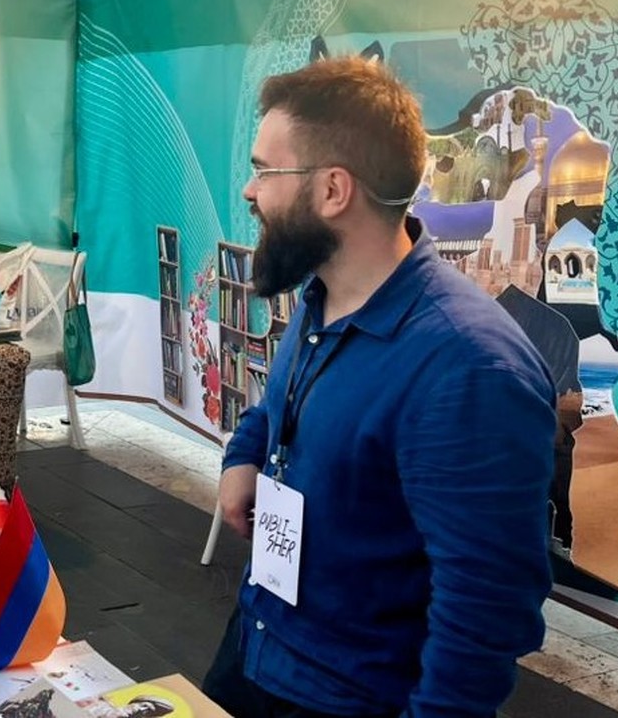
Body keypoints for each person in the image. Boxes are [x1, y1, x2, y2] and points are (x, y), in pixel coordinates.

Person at [202, 57, 556, 717]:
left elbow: (486, 610)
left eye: (264, 171)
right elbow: (281, 403)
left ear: (333, 190)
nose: (250, 191)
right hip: (256, 646)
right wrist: (243, 456)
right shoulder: (321, 295)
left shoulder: (468, 368)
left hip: (347, 698)